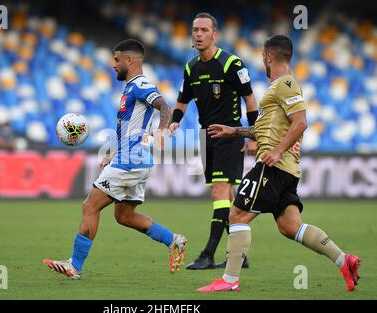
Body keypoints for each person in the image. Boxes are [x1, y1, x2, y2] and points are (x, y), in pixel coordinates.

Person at [198, 35, 360, 292]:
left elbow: (301, 122)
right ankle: (344, 260)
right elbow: (266, 129)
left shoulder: (286, 83)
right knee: (291, 227)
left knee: (237, 213)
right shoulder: (278, 89)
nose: (263, 60)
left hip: (273, 166)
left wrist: (276, 151)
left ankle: (228, 281)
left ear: (268, 57)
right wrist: (235, 131)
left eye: (263, 56)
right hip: (287, 169)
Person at [43, 39, 187, 279]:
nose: (113, 65)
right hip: (133, 159)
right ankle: (174, 240)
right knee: (124, 216)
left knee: (90, 206)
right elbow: (131, 128)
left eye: (117, 60)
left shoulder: (140, 84)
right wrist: (112, 153)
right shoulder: (130, 88)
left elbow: (165, 107)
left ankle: (74, 266)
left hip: (131, 161)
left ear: (129, 60)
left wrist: (161, 131)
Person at [169, 12, 258, 270]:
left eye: (204, 30)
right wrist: (174, 121)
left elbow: (250, 100)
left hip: (229, 136)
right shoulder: (191, 67)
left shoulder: (232, 64)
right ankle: (238, 255)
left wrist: (252, 133)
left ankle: (208, 254)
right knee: (226, 196)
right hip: (205, 136)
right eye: (195, 30)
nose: (198, 34)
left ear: (214, 34)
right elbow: (182, 100)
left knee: (219, 192)